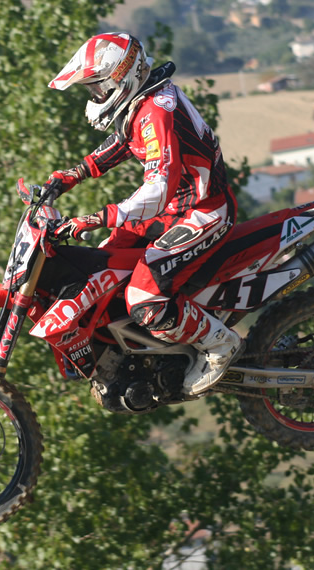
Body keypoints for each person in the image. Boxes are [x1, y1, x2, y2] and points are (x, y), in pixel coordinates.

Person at [44, 32, 240, 395]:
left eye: (98, 87)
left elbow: (158, 188)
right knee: (103, 265)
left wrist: (99, 216)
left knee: (144, 298)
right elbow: (122, 142)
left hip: (203, 211)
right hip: (172, 210)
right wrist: (69, 176)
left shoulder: (157, 112)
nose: (96, 96)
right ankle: (132, 352)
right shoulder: (142, 104)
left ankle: (219, 344)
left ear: (122, 76)